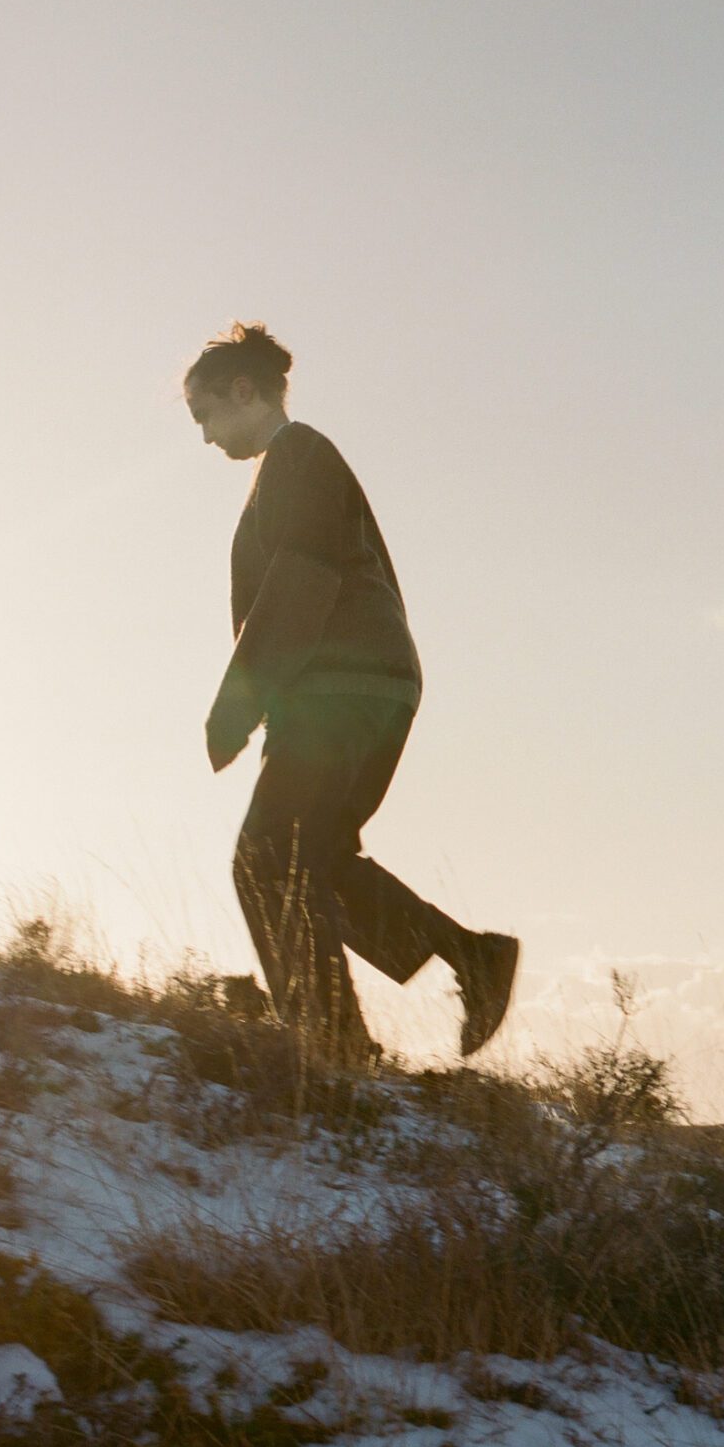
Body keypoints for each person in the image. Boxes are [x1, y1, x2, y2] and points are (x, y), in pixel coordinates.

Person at [185, 322, 519, 1063]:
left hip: (340, 690)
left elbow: (303, 579)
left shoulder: (298, 454)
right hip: (365, 689)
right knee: (314, 858)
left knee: (263, 859)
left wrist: (236, 707)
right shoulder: (291, 464)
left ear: (243, 390)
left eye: (204, 414)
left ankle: (327, 1045)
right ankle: (470, 963)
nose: (204, 436)